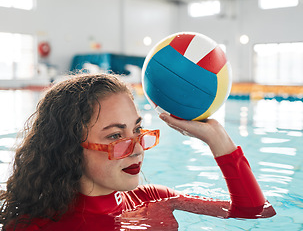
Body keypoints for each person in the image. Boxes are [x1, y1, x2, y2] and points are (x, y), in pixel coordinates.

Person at [0, 73, 276, 231]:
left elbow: (255, 212)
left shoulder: (154, 198)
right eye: (115, 135)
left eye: (137, 130)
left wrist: (219, 140)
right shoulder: (33, 226)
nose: (137, 150)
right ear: (70, 148)